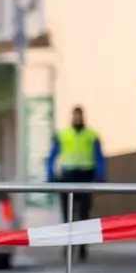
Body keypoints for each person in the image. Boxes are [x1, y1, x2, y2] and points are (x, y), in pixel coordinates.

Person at [47, 105, 106, 262]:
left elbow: (99, 157)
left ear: (83, 117)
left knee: (84, 215)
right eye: (75, 116)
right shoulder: (62, 134)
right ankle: (67, 246)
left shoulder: (92, 135)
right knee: (67, 215)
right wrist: (50, 174)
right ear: (72, 117)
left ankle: (82, 248)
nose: (77, 118)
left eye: (79, 116)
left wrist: (100, 176)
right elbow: (52, 156)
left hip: (86, 176)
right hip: (67, 175)